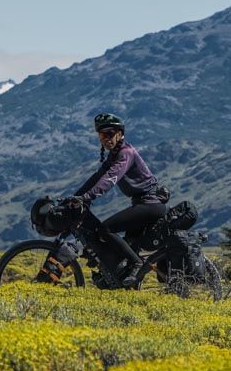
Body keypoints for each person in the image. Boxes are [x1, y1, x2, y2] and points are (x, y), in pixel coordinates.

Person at [72, 113, 168, 286]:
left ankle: (138, 264)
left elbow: (110, 178)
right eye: (102, 135)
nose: (106, 138)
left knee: (105, 229)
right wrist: (76, 197)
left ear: (120, 134)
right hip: (141, 204)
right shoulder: (114, 155)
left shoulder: (126, 153)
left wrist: (88, 196)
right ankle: (127, 281)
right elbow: (97, 177)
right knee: (126, 249)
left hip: (150, 204)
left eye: (109, 133)